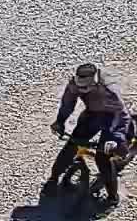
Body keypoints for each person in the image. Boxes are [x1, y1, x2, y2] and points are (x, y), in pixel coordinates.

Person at [46, 63, 129, 204]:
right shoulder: (75, 84)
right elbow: (67, 104)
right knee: (73, 142)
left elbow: (120, 116)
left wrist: (114, 138)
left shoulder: (109, 89)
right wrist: (60, 121)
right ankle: (53, 179)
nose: (80, 91)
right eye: (78, 87)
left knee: (102, 158)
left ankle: (113, 197)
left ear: (95, 83)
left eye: (84, 88)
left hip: (113, 116)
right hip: (92, 113)